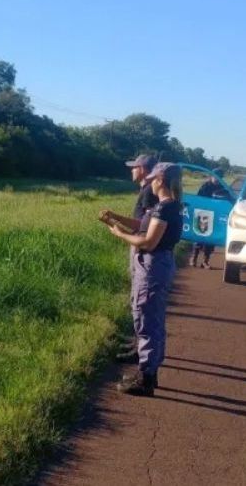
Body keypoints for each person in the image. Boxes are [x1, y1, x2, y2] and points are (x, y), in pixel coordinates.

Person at [106, 162, 183, 396]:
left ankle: (146, 378)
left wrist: (120, 234)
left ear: (160, 180)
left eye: (152, 180)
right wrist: (115, 218)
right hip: (157, 265)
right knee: (153, 318)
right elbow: (142, 225)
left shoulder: (164, 209)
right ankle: (150, 372)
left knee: (146, 318)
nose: (148, 183)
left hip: (152, 266)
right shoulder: (166, 207)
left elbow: (148, 241)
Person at [102, 155, 158, 363]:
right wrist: (115, 219)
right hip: (142, 245)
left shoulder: (148, 193)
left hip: (142, 249)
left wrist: (118, 228)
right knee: (138, 297)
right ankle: (138, 342)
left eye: (134, 167)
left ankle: (140, 349)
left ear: (143, 168)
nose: (131, 170)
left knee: (139, 298)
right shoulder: (147, 190)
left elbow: (140, 225)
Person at [190, 168, 226, 269]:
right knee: (199, 236)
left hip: (216, 217)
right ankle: (194, 258)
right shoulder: (205, 186)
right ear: (211, 176)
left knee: (211, 240)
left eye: (219, 177)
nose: (217, 179)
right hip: (204, 215)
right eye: (215, 176)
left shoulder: (222, 188)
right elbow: (198, 200)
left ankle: (205, 261)